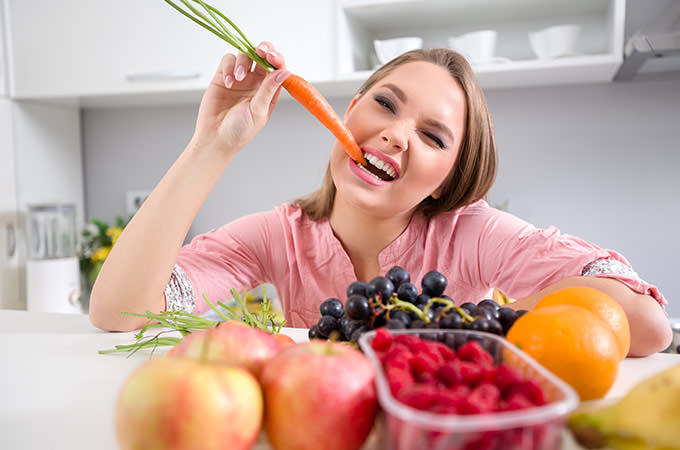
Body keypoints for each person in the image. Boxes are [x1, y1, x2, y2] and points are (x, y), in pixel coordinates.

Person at [89, 42, 671, 357]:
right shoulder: (277, 236)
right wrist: (209, 146)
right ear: (350, 112)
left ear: (446, 179)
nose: (397, 134)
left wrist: (490, 319)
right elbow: (119, 315)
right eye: (386, 105)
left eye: (433, 136)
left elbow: (646, 326)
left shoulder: (472, 234)